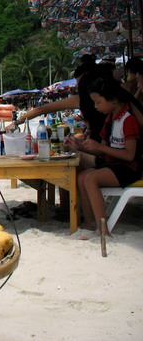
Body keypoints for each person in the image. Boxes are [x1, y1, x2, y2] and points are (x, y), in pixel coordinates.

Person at [69, 77, 142, 234]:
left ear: (113, 100)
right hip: (113, 165)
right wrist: (81, 147)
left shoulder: (128, 119)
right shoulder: (111, 118)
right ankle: (89, 223)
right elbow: (102, 149)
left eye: (98, 102)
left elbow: (130, 156)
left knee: (90, 178)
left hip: (129, 168)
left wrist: (100, 147)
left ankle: (103, 229)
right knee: (81, 176)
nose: (95, 107)